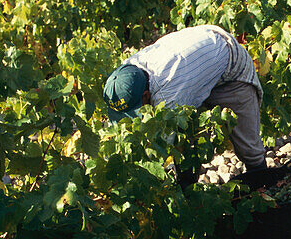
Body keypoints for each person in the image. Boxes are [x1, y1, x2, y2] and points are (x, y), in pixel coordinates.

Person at [102, 24, 266, 173]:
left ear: (146, 95)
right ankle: (188, 185)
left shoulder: (168, 93)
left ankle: (263, 182)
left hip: (230, 68)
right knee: (189, 139)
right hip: (196, 61)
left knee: (249, 147)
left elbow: (164, 147)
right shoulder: (126, 74)